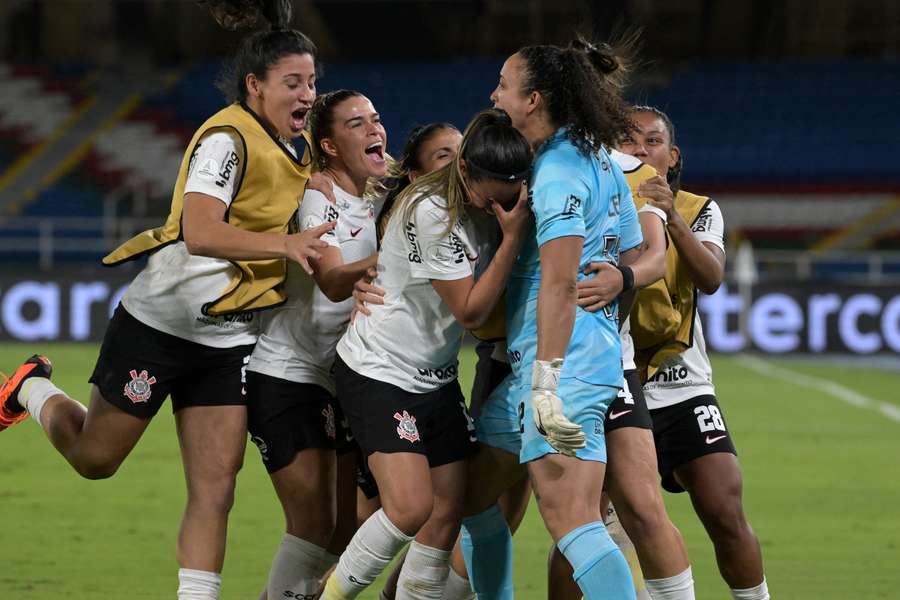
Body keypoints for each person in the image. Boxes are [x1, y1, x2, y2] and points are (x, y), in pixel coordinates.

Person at [0, 3, 333, 599]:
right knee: (95, 459)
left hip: (228, 339)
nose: (308, 93)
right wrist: (284, 244)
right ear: (255, 86)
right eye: (293, 82)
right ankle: (31, 386)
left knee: (216, 487)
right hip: (158, 325)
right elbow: (200, 231)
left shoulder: (300, 146)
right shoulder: (226, 140)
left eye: (312, 81)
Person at [321, 108, 533, 600]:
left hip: (435, 379)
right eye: (490, 196)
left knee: (447, 511)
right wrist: (514, 239)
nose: (497, 207)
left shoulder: (486, 198)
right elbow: (471, 313)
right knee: (410, 508)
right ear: (464, 173)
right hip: (381, 370)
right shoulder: (431, 212)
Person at [466, 37, 646, 600]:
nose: (494, 94)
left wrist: (549, 383)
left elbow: (563, 282)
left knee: (571, 517)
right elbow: (634, 252)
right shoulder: (590, 157)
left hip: (559, 371)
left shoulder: (559, 174)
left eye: (504, 84)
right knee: (472, 498)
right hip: (542, 369)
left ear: (534, 100)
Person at [620, 105, 770, 600]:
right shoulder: (595, 203)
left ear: (672, 153)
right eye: (628, 141)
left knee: (726, 512)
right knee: (592, 528)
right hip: (614, 386)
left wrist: (668, 216)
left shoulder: (698, 208)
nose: (641, 150)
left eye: (653, 141)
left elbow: (710, 277)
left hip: (682, 384)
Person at [244, 89, 388, 599]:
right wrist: (392, 260)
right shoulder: (315, 196)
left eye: (375, 118)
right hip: (286, 373)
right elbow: (329, 280)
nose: (374, 128)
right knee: (311, 525)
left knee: (344, 529)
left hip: (338, 379)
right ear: (327, 144)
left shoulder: (378, 200)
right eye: (356, 123)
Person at [546, 149, 696, 600]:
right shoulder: (529, 160)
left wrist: (624, 278)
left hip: (608, 361)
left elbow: (649, 256)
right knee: (479, 512)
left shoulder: (624, 173)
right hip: (520, 360)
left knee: (639, 510)